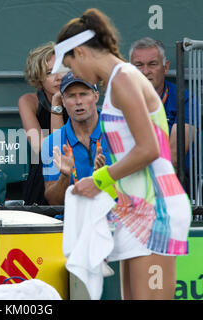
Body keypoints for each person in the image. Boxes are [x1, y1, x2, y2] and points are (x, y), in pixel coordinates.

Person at [53, 8, 191, 300]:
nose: (74, 75)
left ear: (80, 52)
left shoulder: (125, 78)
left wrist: (99, 179)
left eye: (70, 66)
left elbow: (150, 149)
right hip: (136, 209)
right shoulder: (120, 79)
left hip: (158, 211)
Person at [42, 72, 111, 205]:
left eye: (84, 94)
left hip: (113, 217)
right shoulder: (51, 143)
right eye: (71, 96)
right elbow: (54, 202)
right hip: (72, 219)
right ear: (63, 101)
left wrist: (102, 178)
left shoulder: (117, 131)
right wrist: (65, 176)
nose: (78, 102)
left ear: (96, 96)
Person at [129, 37, 193, 174]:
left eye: (152, 64)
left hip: (171, 179)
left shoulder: (184, 98)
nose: (145, 72)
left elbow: (174, 155)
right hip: (129, 177)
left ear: (166, 67)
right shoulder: (120, 99)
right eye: (139, 65)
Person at [18, 42, 69, 205]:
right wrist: (56, 104)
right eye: (49, 72)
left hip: (76, 168)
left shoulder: (78, 98)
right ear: (39, 78)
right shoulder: (28, 101)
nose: (58, 77)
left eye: (62, 70)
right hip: (43, 176)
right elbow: (46, 149)